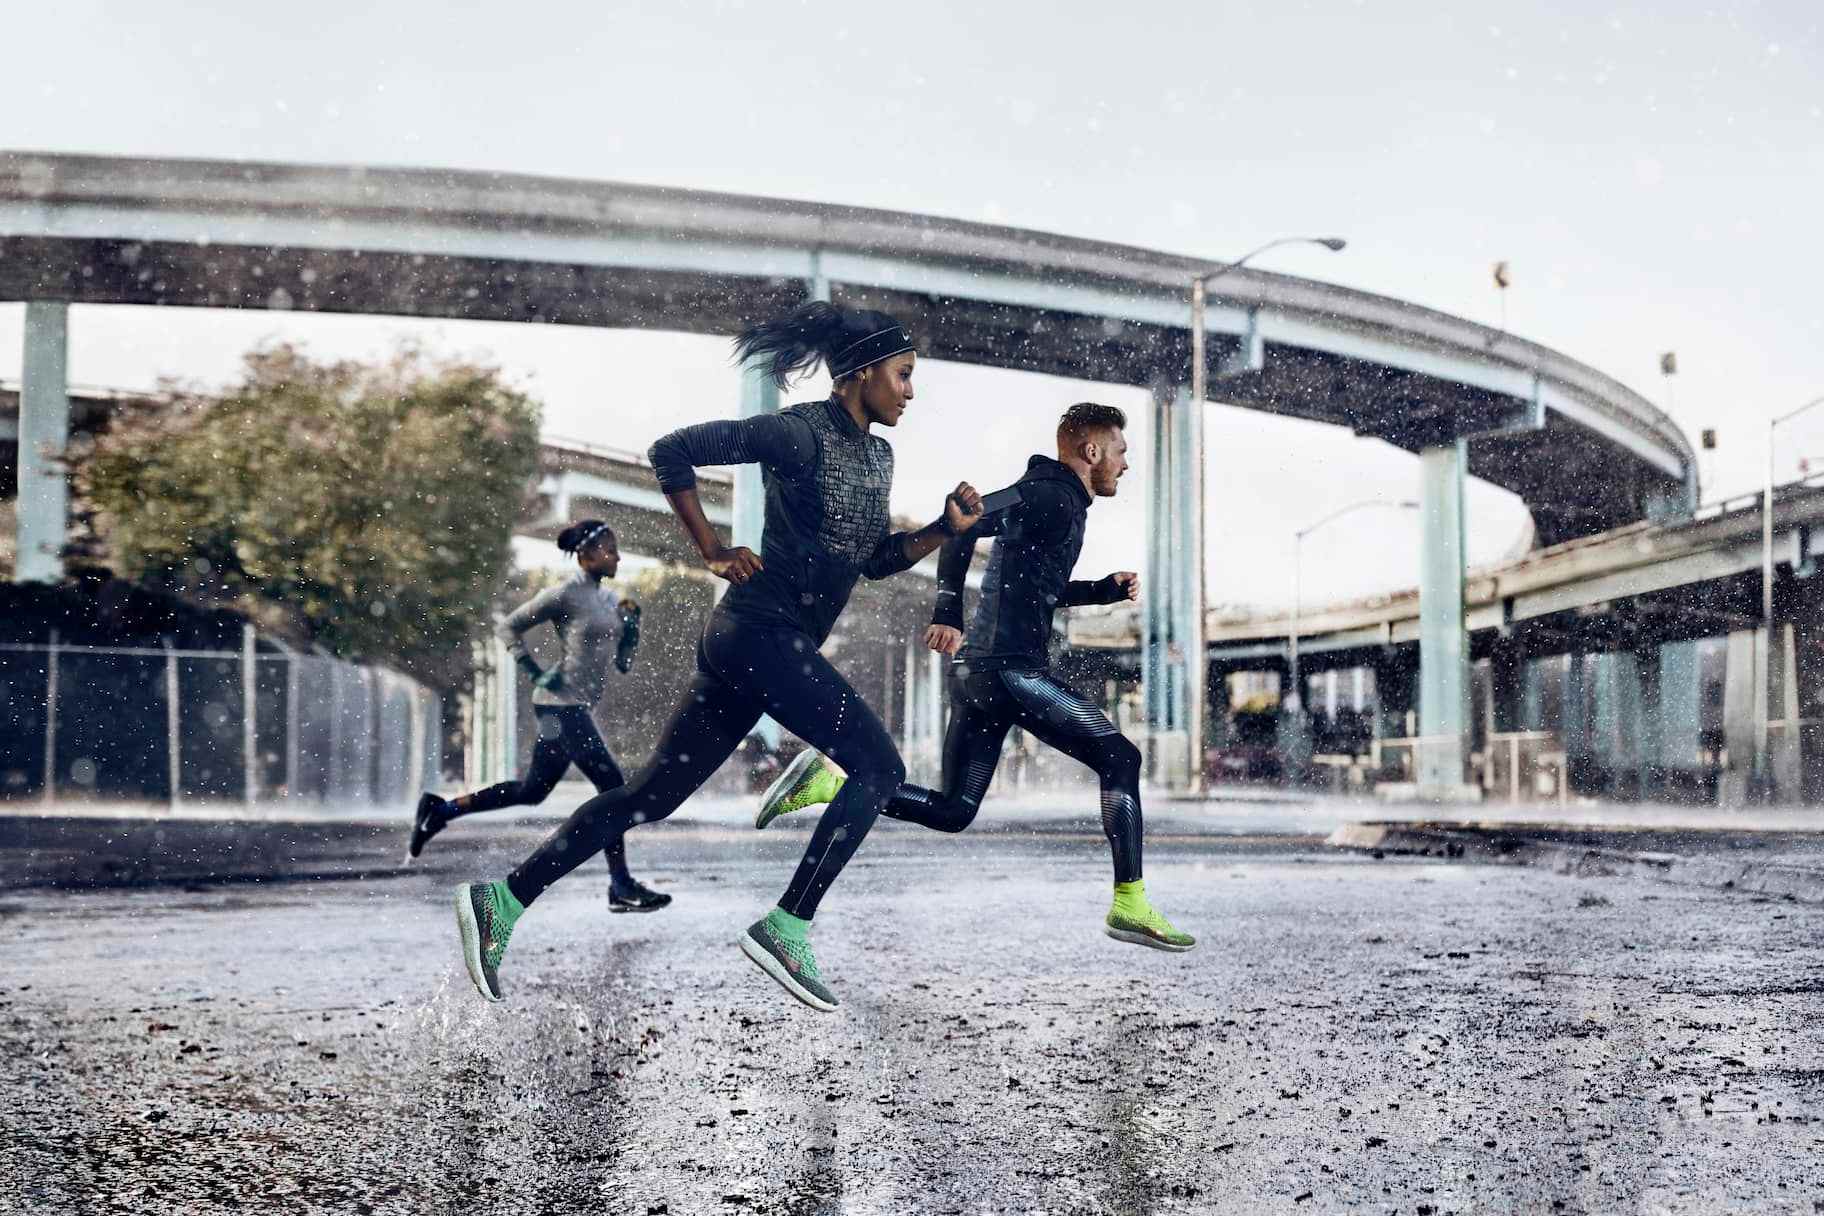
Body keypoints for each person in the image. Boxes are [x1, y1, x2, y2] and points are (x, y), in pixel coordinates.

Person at [453, 301, 983, 1009]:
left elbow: (877, 560)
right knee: (881, 767)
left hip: (759, 647)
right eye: (904, 376)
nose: (911, 392)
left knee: (650, 796)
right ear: (860, 375)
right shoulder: (795, 434)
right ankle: (786, 926)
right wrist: (710, 548)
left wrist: (943, 531)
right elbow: (670, 451)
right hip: (759, 634)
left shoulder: (879, 455)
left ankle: (502, 900)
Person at [756, 402, 1195, 951]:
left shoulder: (1058, 501)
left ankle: (828, 785)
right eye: (1122, 452)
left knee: (954, 810)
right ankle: (1130, 903)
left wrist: (1101, 590)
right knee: (1122, 759)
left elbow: (1041, 586)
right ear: (1092, 451)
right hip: (1008, 672)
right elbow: (966, 522)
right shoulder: (1051, 493)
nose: (1125, 465)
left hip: (977, 678)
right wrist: (946, 609)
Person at [410, 520, 668, 913]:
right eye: (609, 549)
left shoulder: (614, 602)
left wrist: (632, 630)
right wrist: (532, 670)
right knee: (614, 788)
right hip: (557, 704)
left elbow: (624, 664)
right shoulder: (566, 593)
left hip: (573, 707)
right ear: (586, 555)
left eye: (616, 549)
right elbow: (507, 627)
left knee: (533, 791)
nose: (616, 556)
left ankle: (441, 810)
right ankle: (620, 885)